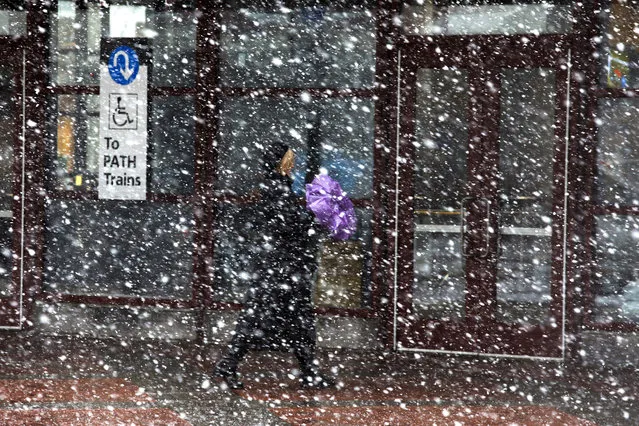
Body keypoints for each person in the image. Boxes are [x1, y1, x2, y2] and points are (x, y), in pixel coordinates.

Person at [213, 142, 335, 390]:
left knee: (292, 318)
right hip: (282, 268)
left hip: (281, 266)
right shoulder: (276, 188)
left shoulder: (276, 186)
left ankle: (307, 370)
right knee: (266, 317)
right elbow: (286, 223)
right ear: (281, 162)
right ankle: (230, 363)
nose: (294, 164)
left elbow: (282, 222)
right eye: (290, 159)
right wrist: (313, 218)